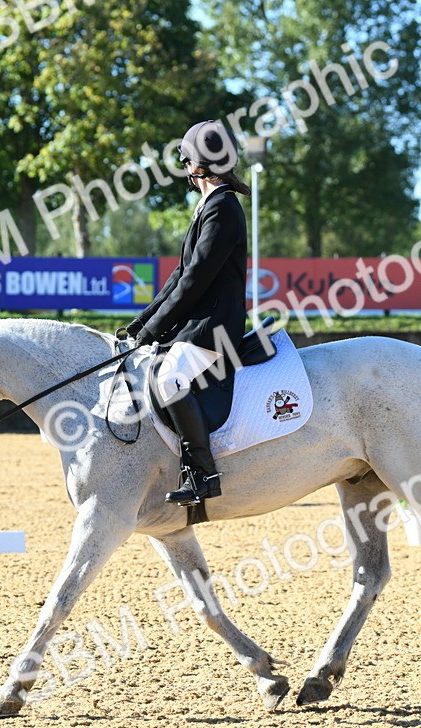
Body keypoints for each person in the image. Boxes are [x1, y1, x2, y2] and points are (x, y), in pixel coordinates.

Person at [126, 119, 251, 506]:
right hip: (198, 323)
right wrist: (143, 322)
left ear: (197, 167)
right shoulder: (210, 206)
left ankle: (203, 473)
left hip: (213, 328)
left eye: (186, 163)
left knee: (168, 380)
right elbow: (180, 274)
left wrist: (155, 330)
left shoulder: (223, 208)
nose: (185, 170)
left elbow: (196, 279)